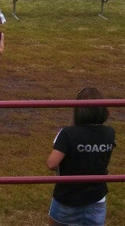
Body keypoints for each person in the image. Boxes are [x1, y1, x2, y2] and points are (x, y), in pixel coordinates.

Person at [46, 87, 116, 226]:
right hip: (97, 198)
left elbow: (51, 164)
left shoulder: (68, 134)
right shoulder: (109, 133)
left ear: (78, 109)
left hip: (67, 198)